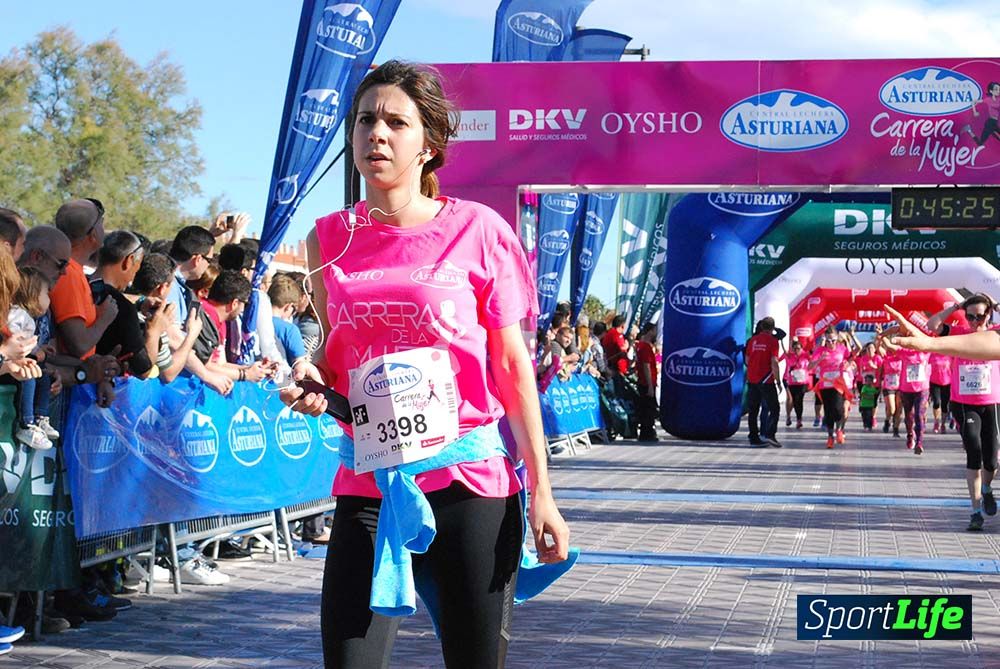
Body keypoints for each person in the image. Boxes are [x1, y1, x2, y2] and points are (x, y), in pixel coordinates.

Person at [279, 60, 569, 668]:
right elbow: (336, 353)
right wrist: (312, 379)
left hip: (468, 482)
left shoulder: (479, 230)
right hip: (370, 483)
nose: (376, 134)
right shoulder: (326, 238)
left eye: (395, 122)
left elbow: (513, 369)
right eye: (364, 120)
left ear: (429, 145)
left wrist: (543, 491)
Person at [886, 298, 1000, 530]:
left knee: (991, 459)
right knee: (973, 451)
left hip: (991, 403)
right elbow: (932, 326)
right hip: (964, 403)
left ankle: (987, 488)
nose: (974, 322)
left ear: (988, 316)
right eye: (970, 316)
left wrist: (997, 306)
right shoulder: (957, 333)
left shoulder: (995, 334)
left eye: (979, 316)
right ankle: (975, 511)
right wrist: (955, 308)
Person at [9, 266, 57, 449]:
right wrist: (35, 352)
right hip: (14, 364)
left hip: (25, 359)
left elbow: (28, 340)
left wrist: (40, 348)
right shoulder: (16, 315)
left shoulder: (29, 318)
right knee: (29, 379)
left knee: (43, 377)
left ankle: (40, 417)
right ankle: (26, 423)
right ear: (33, 295)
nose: (49, 299)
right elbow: (14, 340)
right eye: (46, 293)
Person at [744, 316, 782, 448]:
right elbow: (774, 362)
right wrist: (778, 381)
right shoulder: (773, 341)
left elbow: (747, 359)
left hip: (752, 379)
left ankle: (753, 437)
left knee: (753, 410)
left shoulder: (752, 340)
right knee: (774, 408)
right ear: (772, 328)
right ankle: (770, 434)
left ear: (761, 327)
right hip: (766, 379)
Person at [810, 328, 850, 449]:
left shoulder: (841, 349)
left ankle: (839, 430)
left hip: (838, 384)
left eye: (833, 340)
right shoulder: (820, 350)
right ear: (824, 340)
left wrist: (847, 364)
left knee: (839, 409)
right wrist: (820, 359)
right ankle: (830, 436)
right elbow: (809, 366)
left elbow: (850, 357)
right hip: (825, 385)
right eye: (828, 340)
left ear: (837, 339)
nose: (831, 343)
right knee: (828, 411)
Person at [896, 346, 931, 454]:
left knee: (919, 415)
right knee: (909, 415)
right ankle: (910, 435)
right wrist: (881, 336)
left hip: (922, 389)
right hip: (906, 389)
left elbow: (937, 339)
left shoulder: (926, 350)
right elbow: (889, 347)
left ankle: (919, 442)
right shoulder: (904, 351)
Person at [634, 322, 659, 442]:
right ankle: (647, 432)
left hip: (644, 381)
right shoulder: (645, 347)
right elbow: (646, 366)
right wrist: (650, 385)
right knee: (648, 408)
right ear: (650, 331)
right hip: (646, 382)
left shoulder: (641, 346)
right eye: (654, 331)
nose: (655, 333)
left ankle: (647, 431)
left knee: (646, 407)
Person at [781, 339, 810, 429]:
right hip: (790, 381)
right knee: (790, 399)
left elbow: (813, 359)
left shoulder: (805, 356)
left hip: (802, 382)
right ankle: (788, 416)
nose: (796, 350)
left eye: (798, 348)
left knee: (798, 401)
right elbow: (784, 351)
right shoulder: (789, 356)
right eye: (795, 349)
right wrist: (782, 340)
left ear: (802, 349)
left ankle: (799, 420)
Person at [929, 352, 953, 433]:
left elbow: (953, 368)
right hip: (934, 382)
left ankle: (943, 424)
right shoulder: (932, 354)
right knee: (936, 402)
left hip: (947, 382)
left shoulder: (950, 355)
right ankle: (937, 421)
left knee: (945, 405)